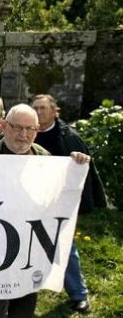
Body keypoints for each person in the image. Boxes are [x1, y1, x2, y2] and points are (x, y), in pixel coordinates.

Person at [0, 103, 92, 318]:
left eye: (30, 129)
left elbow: (58, 197)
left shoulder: (45, 159)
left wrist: (74, 166)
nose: (23, 134)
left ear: (37, 131)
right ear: (3, 126)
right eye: (17, 127)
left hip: (29, 249)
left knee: (24, 304)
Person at [31, 94, 106, 314]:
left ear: (55, 111)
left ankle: (79, 294)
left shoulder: (68, 137)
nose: (38, 112)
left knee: (64, 246)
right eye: (35, 107)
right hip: (28, 200)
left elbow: (83, 171)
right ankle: (16, 293)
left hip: (58, 203)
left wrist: (78, 160)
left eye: (43, 108)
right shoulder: (24, 131)